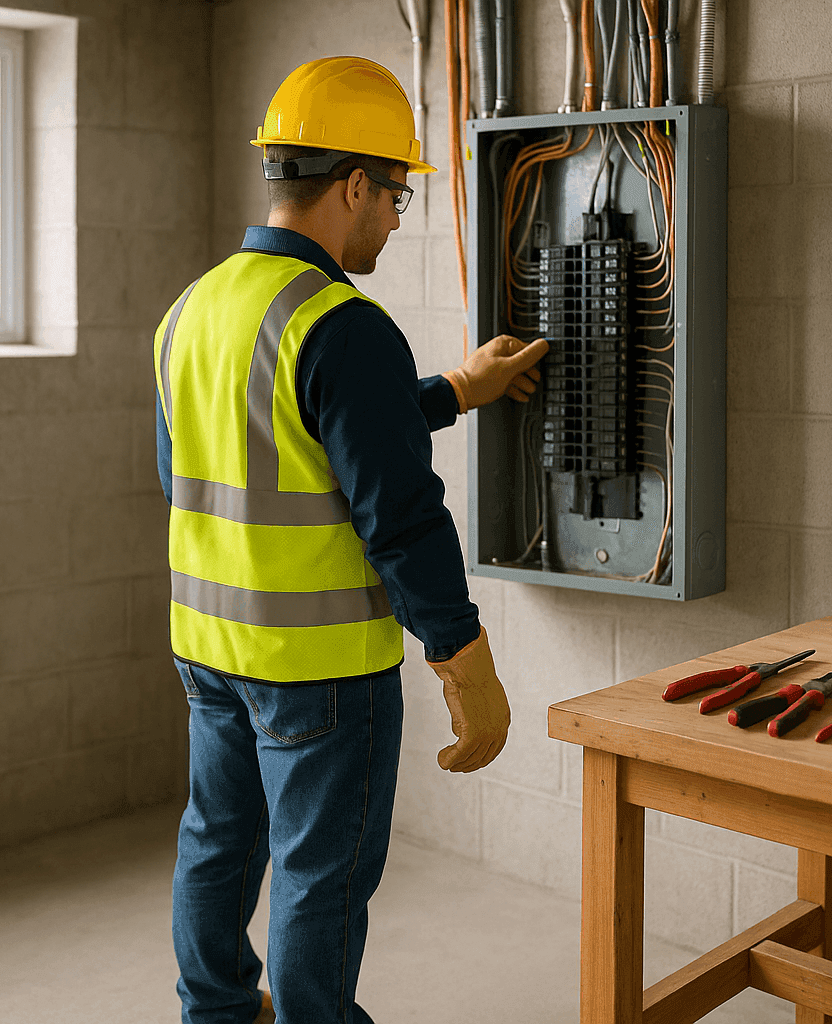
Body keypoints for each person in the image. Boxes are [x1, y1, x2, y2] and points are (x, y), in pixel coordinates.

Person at [154, 55, 549, 1024]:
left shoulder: (192, 309)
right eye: (398, 193)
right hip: (320, 670)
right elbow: (400, 514)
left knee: (217, 839)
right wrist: (466, 659)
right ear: (354, 184)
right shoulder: (343, 324)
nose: (397, 216)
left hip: (210, 651)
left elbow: (270, 448)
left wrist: (457, 388)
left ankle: (213, 1011)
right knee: (319, 878)